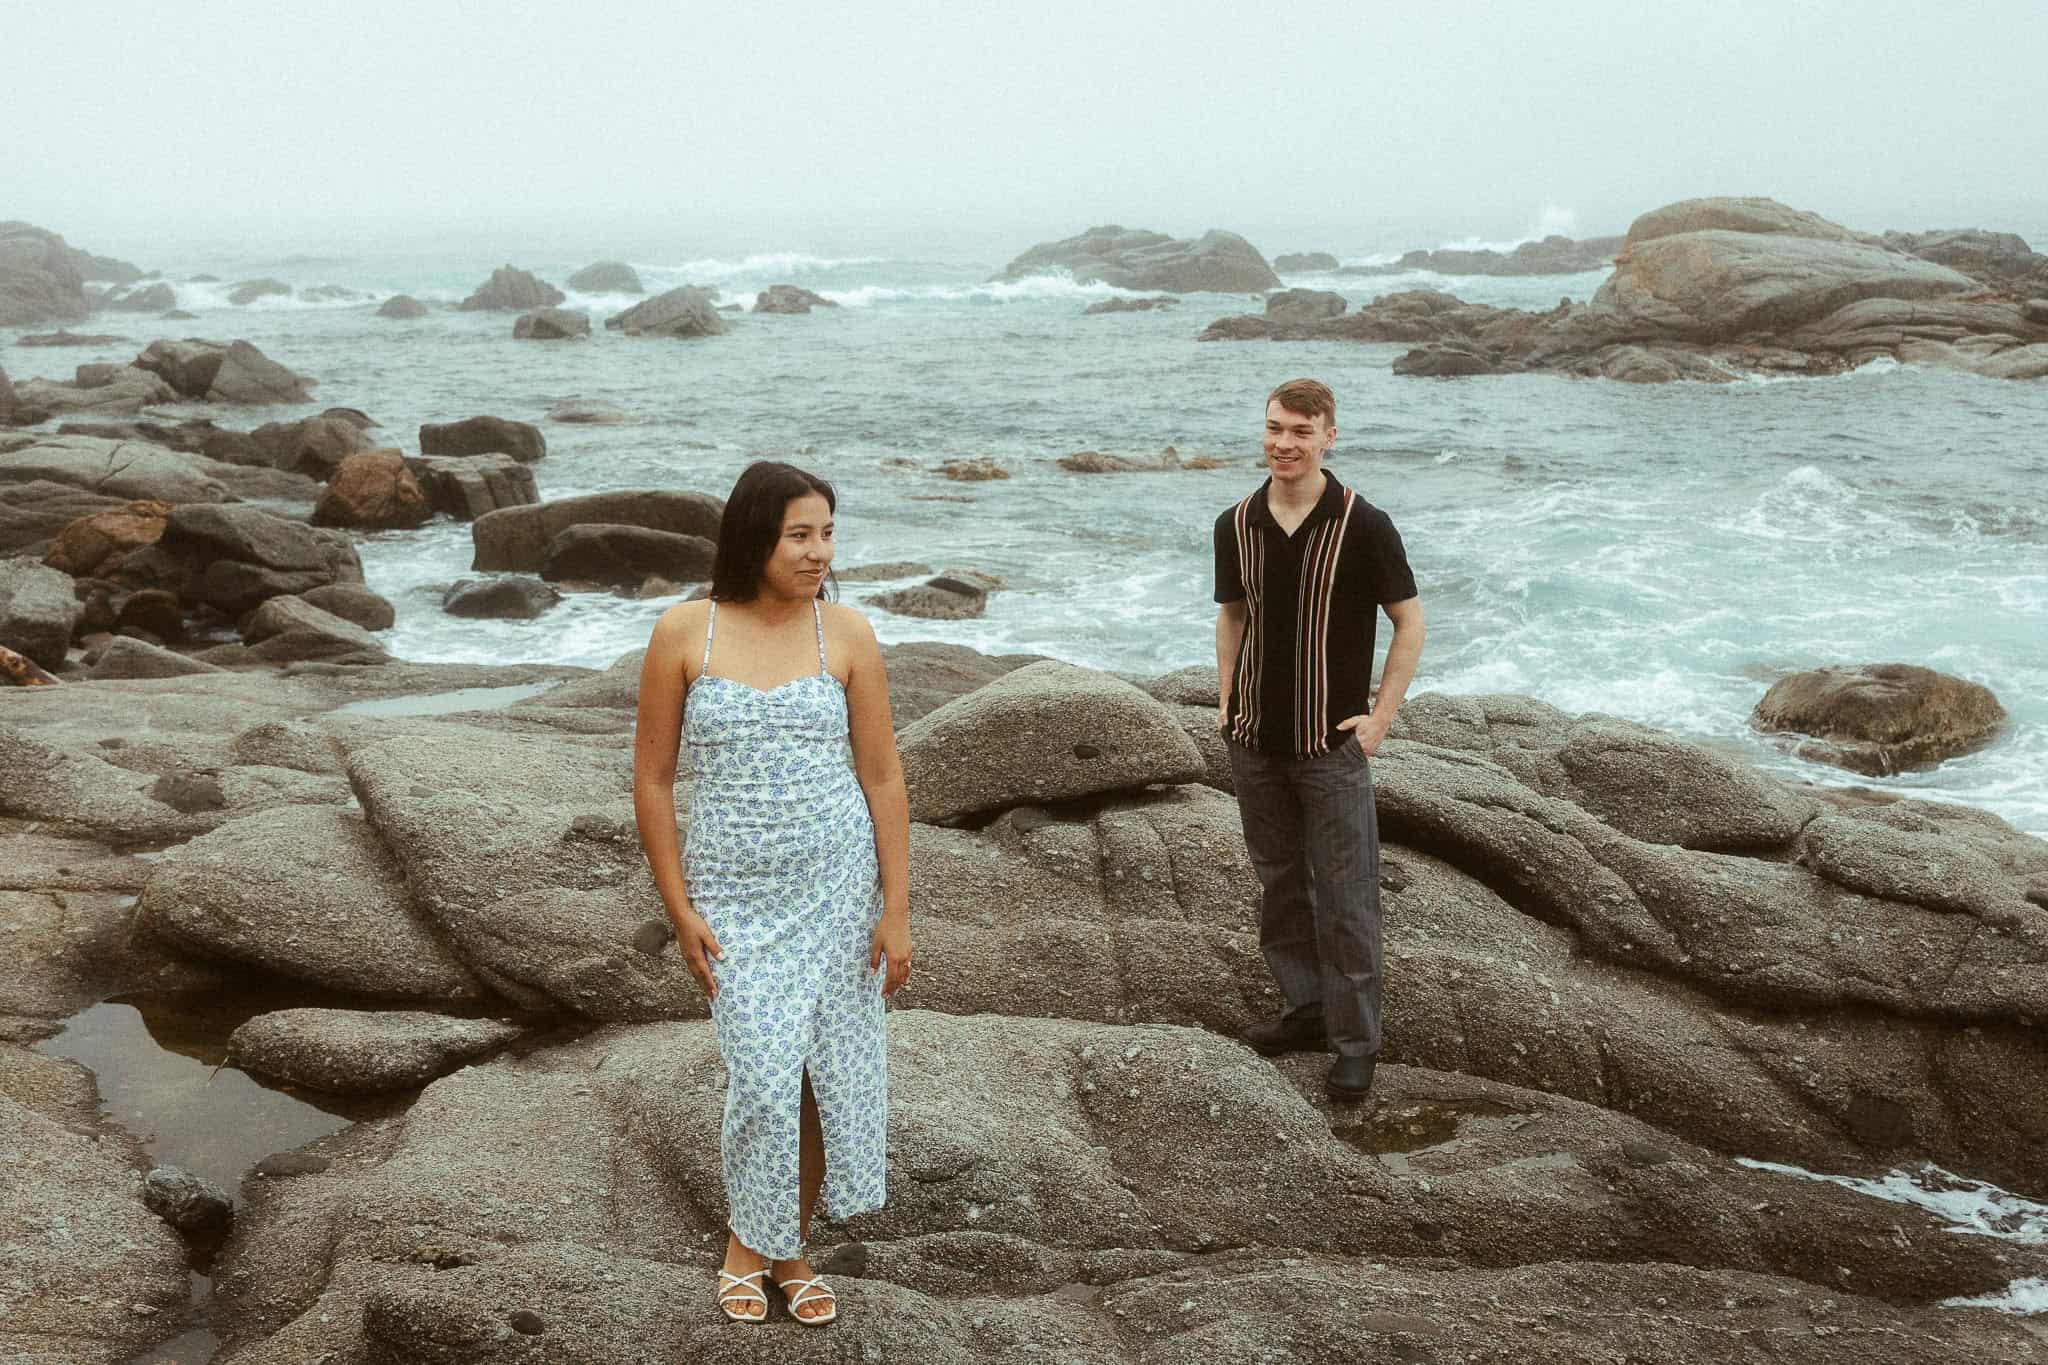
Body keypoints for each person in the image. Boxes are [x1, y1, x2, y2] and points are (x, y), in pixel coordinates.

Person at [633, 461, 912, 1326]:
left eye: (827, 533)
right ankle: (752, 1241)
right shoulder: (686, 631)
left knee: (820, 1077)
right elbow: (652, 779)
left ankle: (780, 1248)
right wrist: (680, 909)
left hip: (837, 891)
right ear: (755, 536)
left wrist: (896, 909)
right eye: (800, 535)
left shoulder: (847, 634)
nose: (818, 551)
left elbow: (882, 776)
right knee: (761, 1073)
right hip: (733, 898)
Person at [1213, 378, 1423, 1102]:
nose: (1285, 443)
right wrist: (1226, 696)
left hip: (1331, 746)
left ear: (1329, 437)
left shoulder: (1365, 524)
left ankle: (1356, 1043)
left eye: (1301, 431)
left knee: (1347, 897)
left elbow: (1409, 622)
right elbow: (1233, 614)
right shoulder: (1236, 523)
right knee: (1279, 885)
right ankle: (1304, 1008)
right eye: (1275, 428)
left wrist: (1380, 718)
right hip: (1254, 744)